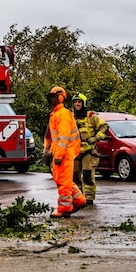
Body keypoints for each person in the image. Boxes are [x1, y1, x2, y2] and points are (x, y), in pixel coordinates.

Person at [44, 86, 88, 218]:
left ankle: (64, 208)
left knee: (63, 182)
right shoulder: (56, 114)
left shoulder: (62, 114)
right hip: (62, 153)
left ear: (60, 98)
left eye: (53, 97)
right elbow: (53, 137)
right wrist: (48, 151)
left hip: (64, 154)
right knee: (64, 180)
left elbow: (63, 138)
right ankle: (79, 200)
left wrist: (58, 155)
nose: (51, 100)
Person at [71, 92, 109, 206]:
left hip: (88, 152)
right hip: (75, 152)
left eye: (79, 102)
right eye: (75, 102)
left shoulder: (91, 116)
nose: (77, 104)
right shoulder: (71, 117)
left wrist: (96, 138)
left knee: (88, 176)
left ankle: (89, 198)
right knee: (74, 177)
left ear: (84, 103)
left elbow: (104, 127)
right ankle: (78, 197)